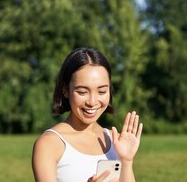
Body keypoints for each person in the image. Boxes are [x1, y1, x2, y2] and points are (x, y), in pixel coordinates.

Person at [32, 47, 143, 182]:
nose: (92, 102)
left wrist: (126, 161)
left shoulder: (115, 141)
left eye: (101, 91)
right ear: (65, 90)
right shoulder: (49, 144)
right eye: (82, 92)